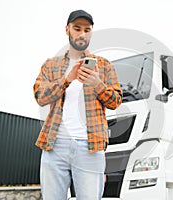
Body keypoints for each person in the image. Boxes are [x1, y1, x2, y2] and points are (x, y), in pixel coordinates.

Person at [33, 10, 122, 200]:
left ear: (91, 33)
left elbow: (116, 102)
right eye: (77, 28)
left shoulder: (104, 66)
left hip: (91, 146)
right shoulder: (51, 65)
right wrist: (67, 80)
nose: (82, 34)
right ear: (67, 30)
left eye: (87, 30)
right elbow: (40, 96)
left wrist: (98, 85)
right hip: (55, 145)